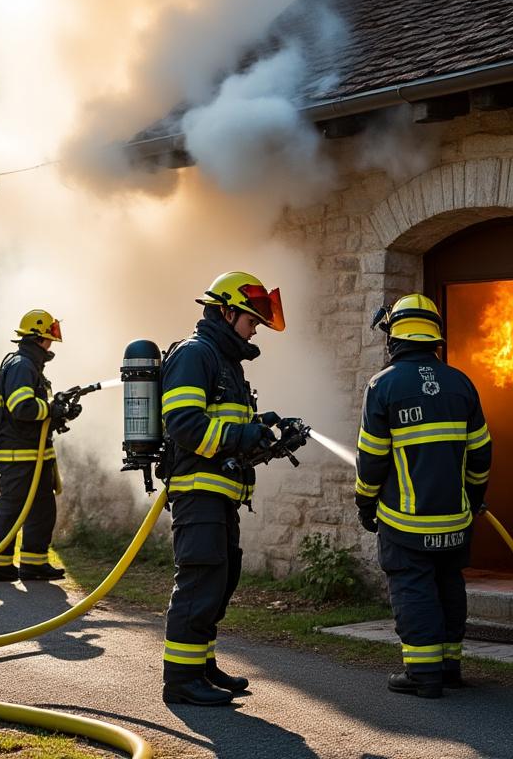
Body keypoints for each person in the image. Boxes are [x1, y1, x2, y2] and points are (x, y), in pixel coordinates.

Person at [354, 293, 492, 698]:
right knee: (449, 584)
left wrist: (365, 502)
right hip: (455, 518)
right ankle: (449, 667)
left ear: (394, 337)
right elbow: (481, 452)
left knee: (413, 587)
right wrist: (473, 495)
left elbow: (372, 458)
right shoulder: (460, 383)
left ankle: (423, 674)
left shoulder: (382, 386)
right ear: (435, 337)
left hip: (405, 520)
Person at [160, 271, 287, 706]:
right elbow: (184, 424)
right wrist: (241, 436)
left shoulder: (224, 361)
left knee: (222, 577)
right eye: (251, 321)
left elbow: (229, 429)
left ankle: (202, 665)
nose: (255, 331)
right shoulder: (196, 355)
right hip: (197, 491)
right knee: (200, 579)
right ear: (227, 311)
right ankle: (180, 680)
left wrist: (264, 431)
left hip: (221, 493)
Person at [0, 309, 81, 583]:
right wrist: (52, 409)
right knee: (13, 508)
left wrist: (58, 410)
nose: (51, 344)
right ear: (39, 337)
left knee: (41, 510)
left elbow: (36, 409)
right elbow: (21, 407)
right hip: (20, 454)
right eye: (49, 338)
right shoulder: (23, 365)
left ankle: (33, 564)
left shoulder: (30, 365)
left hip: (33, 454)